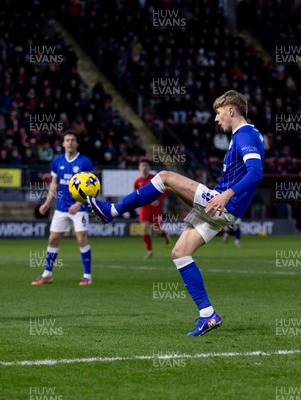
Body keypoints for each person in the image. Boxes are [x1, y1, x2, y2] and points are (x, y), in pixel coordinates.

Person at [89, 90, 264, 336]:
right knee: (180, 253)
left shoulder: (244, 134)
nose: (216, 118)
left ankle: (112, 210)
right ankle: (208, 315)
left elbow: (255, 173)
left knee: (164, 177)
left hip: (222, 202)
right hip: (223, 208)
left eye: (218, 112)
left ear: (231, 111)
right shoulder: (251, 134)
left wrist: (226, 194)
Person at [31, 131, 95, 286]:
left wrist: (79, 203)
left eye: (73, 140)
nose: (70, 142)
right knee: (53, 239)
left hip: (79, 207)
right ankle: (47, 274)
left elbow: (91, 186)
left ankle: (87, 276)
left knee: (81, 238)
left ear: (77, 143)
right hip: (61, 207)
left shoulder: (84, 162)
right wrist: (47, 203)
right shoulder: (57, 161)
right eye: (67, 140)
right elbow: (54, 183)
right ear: (63, 143)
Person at [134, 160, 170, 259]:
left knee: (157, 231)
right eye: (142, 165)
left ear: (149, 168)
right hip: (145, 209)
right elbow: (136, 195)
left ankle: (164, 235)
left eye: (146, 165)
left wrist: (158, 200)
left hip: (155, 209)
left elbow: (166, 189)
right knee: (145, 229)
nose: (144, 167)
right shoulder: (137, 182)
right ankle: (149, 251)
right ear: (139, 168)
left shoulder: (154, 178)